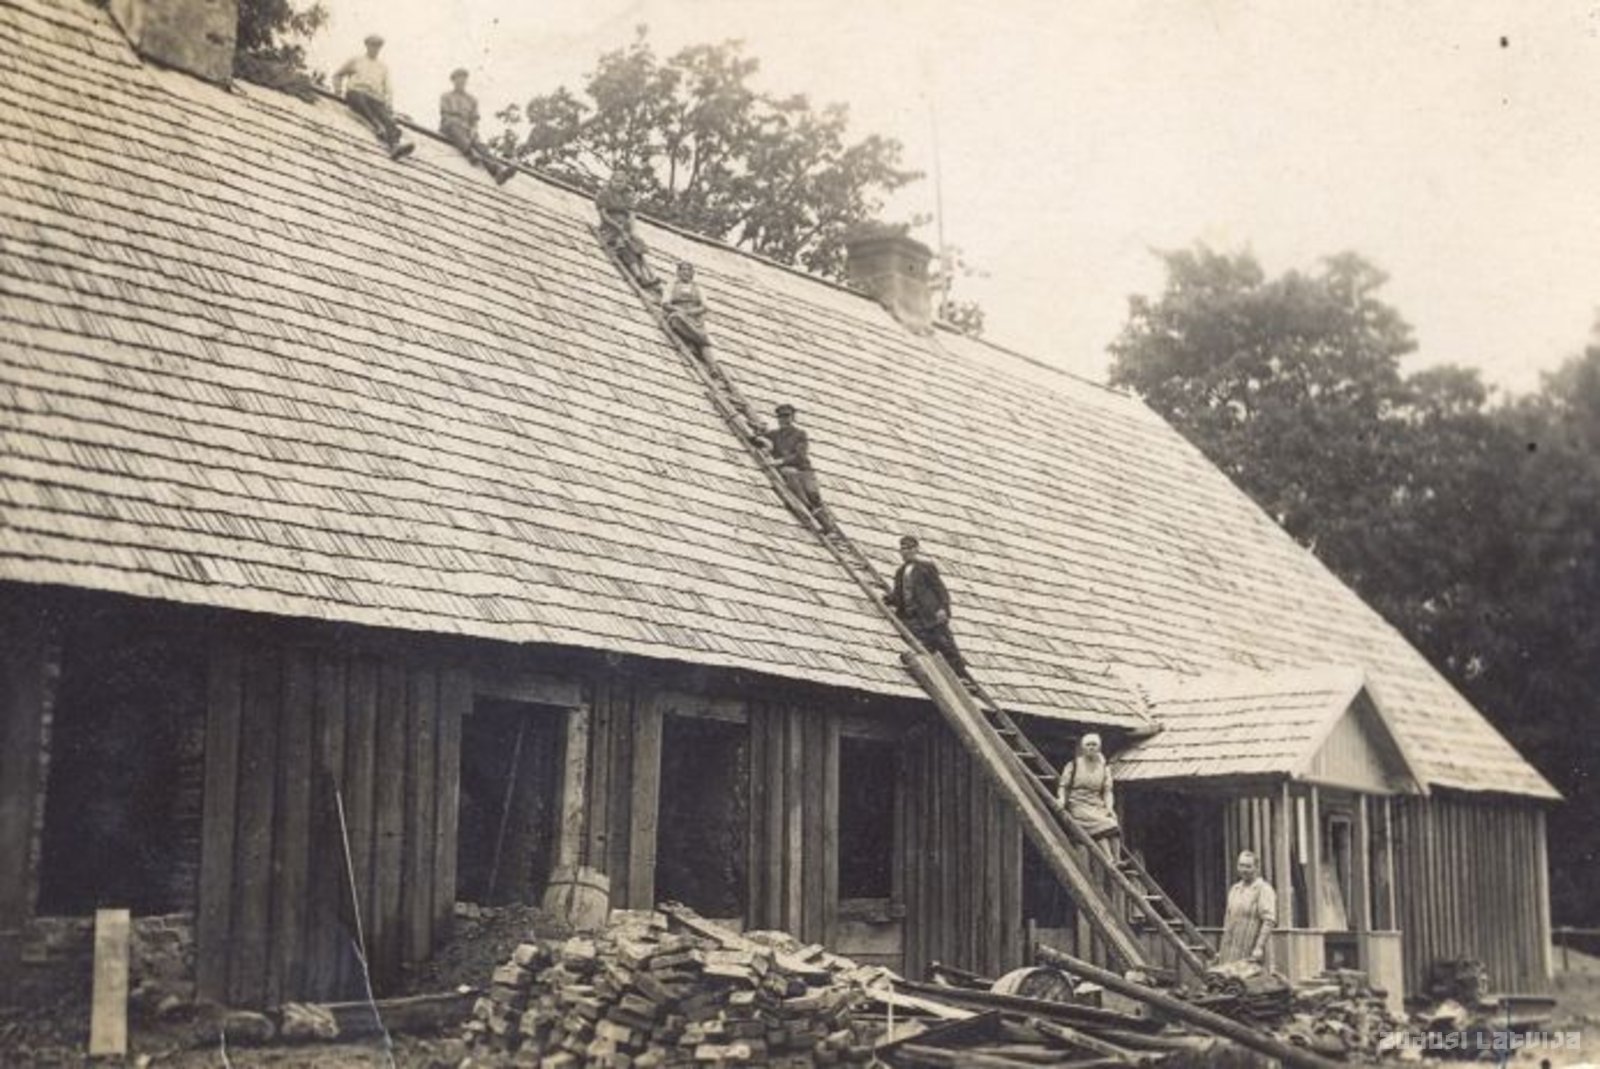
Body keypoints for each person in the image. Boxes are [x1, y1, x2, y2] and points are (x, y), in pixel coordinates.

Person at [886, 535, 972, 680]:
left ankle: (961, 676)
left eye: (909, 548)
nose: (906, 552)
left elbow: (940, 590)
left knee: (945, 644)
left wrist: (943, 608)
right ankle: (940, 675)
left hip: (931, 615)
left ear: (916, 550)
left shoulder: (926, 568)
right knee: (924, 645)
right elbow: (897, 595)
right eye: (903, 549)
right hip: (912, 617)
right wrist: (888, 600)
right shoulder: (900, 572)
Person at [333, 35, 415, 160]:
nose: (375, 49)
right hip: (357, 92)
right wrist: (338, 91)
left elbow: (388, 89)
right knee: (359, 99)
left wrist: (389, 103)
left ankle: (395, 146)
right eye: (372, 45)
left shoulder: (383, 67)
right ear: (367, 46)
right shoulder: (356, 60)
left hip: (375, 99)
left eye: (377, 46)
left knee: (387, 118)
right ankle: (376, 125)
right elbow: (338, 75)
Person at [762, 404, 835, 532]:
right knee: (803, 498)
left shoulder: (800, 434)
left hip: (803, 470)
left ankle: (829, 526)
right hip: (789, 472)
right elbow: (758, 438)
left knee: (813, 494)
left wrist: (781, 461)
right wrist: (761, 440)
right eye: (781, 417)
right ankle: (818, 521)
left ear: (792, 417)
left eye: (787, 416)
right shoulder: (774, 435)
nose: (784, 420)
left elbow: (800, 455)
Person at [439, 68, 515, 184]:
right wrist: (460, 124)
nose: (461, 82)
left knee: (479, 143)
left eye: (464, 80)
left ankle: (498, 171)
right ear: (453, 81)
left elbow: (474, 119)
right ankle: (469, 152)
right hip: (450, 127)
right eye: (458, 80)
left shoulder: (471, 100)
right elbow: (445, 115)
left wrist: (473, 130)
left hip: (466, 129)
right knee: (453, 126)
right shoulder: (446, 96)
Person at [595, 173, 661, 291]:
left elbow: (631, 214)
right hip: (610, 227)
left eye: (621, 182)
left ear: (625, 183)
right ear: (611, 181)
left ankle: (649, 275)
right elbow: (603, 215)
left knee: (637, 246)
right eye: (616, 181)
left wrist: (630, 229)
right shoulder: (605, 194)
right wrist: (617, 226)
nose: (618, 184)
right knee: (624, 246)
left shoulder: (627, 196)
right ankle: (638, 275)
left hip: (625, 227)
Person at [1056, 733, 1119, 851]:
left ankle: (1116, 858)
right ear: (1083, 748)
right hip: (1077, 804)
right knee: (1103, 826)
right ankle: (1108, 858)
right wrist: (1062, 799)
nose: (1091, 747)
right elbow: (1063, 786)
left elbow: (1107, 791)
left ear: (1099, 747)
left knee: (1113, 824)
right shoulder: (1073, 765)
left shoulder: (1104, 767)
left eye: (1094, 745)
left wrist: (1110, 808)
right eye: (1088, 745)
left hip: (1096, 805)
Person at [1218, 850, 1278, 965]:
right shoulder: (1235, 889)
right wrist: (1223, 949)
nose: (1244, 870)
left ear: (1256, 868)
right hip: (1232, 950)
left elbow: (1269, 921)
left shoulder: (1263, 889)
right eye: (1241, 865)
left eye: (1248, 866)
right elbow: (1228, 920)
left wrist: (1259, 947)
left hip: (1253, 950)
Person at [663, 262, 710, 351]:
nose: (686, 272)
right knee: (676, 319)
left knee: (699, 329)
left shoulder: (698, 288)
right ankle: (697, 339)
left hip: (694, 318)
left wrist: (690, 312)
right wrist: (678, 309)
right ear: (678, 272)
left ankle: (696, 339)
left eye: (689, 270)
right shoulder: (672, 285)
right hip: (679, 314)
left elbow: (704, 307)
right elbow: (665, 304)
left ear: (692, 273)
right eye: (683, 269)